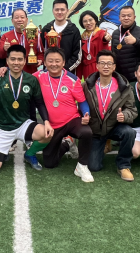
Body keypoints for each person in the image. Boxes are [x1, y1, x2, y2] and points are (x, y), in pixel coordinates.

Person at [0, 45, 54, 174]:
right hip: (2, 128)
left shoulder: (31, 80)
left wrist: (46, 121)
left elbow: (40, 103)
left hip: (23, 124)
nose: (16, 62)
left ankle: (30, 154)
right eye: (13, 59)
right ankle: (2, 151)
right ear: (7, 61)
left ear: (25, 61)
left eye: (20, 59)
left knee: (47, 133)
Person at [33, 47, 94, 182]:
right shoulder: (39, 76)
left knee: (86, 132)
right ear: (45, 62)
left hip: (71, 120)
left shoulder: (73, 79)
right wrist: (4, 69)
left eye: (57, 61)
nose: (54, 64)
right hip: (52, 125)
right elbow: (22, 77)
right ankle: (68, 143)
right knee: (50, 163)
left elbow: (82, 101)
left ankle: (82, 166)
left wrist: (86, 114)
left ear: (63, 62)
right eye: (50, 61)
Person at [82, 50, 137, 181]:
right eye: (102, 63)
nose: (106, 66)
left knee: (129, 132)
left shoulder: (124, 87)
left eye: (109, 63)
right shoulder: (86, 86)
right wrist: (83, 117)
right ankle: (104, 144)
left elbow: (132, 109)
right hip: (96, 130)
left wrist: (125, 115)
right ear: (97, 65)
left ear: (114, 67)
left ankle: (123, 165)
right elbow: (80, 105)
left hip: (115, 126)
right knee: (94, 167)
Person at [40, 0, 82, 73]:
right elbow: (41, 51)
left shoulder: (74, 30)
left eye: (62, 10)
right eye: (57, 10)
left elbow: (77, 56)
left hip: (67, 73)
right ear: (53, 11)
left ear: (67, 11)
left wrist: (64, 70)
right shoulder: (46, 29)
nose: (59, 12)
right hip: (48, 73)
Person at [111, 6, 140, 82]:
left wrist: (136, 41)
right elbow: (113, 52)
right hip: (118, 75)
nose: (126, 18)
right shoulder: (115, 33)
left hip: (134, 76)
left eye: (129, 16)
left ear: (134, 17)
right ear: (119, 17)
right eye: (123, 16)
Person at [0, 8, 43, 74]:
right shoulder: (6, 36)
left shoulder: (35, 34)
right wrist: (4, 49)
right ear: (12, 21)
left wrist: (40, 60)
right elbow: (0, 55)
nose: (19, 20)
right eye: (16, 17)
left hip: (31, 73)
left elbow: (41, 53)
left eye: (22, 17)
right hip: (12, 74)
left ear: (26, 20)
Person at [76, 10, 111, 80]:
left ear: (95, 20)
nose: (88, 23)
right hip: (86, 70)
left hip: (100, 68)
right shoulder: (82, 38)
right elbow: (80, 58)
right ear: (82, 23)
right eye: (85, 21)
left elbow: (104, 39)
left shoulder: (101, 33)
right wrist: (78, 77)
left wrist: (106, 38)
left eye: (90, 20)